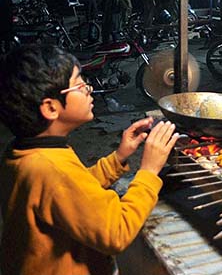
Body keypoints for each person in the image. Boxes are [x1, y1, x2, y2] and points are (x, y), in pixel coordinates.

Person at [0, 44, 180, 275]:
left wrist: (118, 157)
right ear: (51, 107)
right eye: (79, 85)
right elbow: (116, 231)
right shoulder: (50, 168)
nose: (89, 89)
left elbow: (75, 190)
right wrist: (148, 171)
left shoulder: (26, 153)